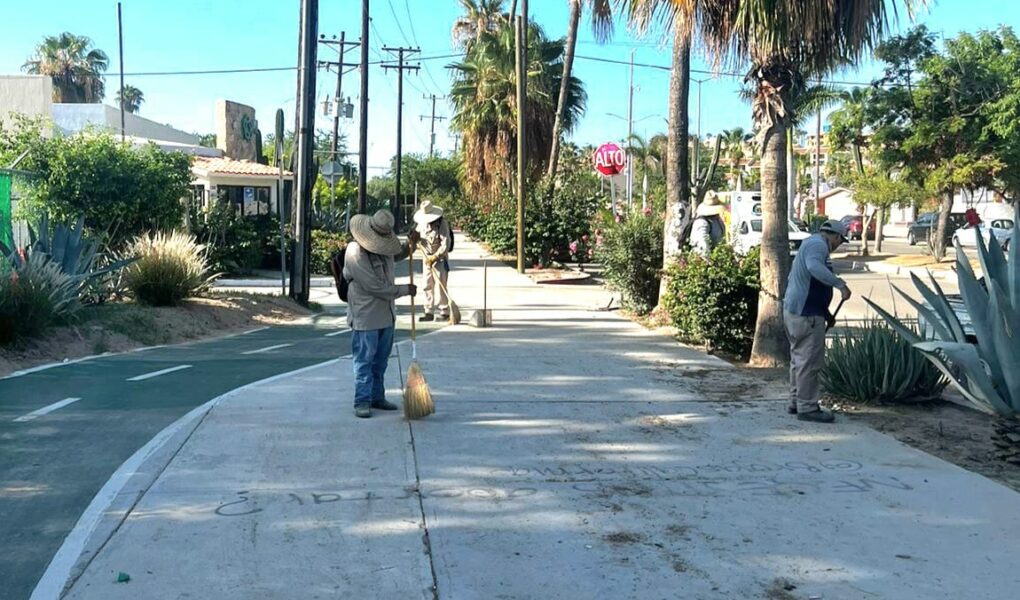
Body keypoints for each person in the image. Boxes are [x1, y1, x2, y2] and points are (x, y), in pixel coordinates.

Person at [343, 210, 419, 419]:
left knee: (381, 361)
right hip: (366, 315)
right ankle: (362, 400)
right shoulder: (355, 253)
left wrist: (410, 245)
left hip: (386, 314)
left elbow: (396, 255)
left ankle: (377, 396)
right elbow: (374, 286)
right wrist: (404, 290)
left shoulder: (384, 248)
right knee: (364, 361)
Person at [783, 219, 852, 423]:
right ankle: (807, 407)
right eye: (841, 241)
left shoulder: (810, 243)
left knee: (798, 359)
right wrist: (840, 284)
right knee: (809, 362)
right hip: (807, 314)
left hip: (798, 311)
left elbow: (811, 284)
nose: (838, 245)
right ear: (836, 236)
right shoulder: (818, 245)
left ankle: (796, 401)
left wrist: (826, 313)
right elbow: (814, 268)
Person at [413, 201, 452, 321]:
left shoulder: (442, 224)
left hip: (439, 258)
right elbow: (417, 237)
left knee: (441, 284)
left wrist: (435, 257)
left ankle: (444, 311)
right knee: (427, 284)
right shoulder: (421, 224)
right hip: (426, 257)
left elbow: (445, 244)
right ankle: (428, 311)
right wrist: (413, 239)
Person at [690, 192, 726, 257]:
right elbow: (702, 244)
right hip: (704, 258)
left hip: (716, 256)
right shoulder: (701, 223)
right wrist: (709, 259)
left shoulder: (716, 219)